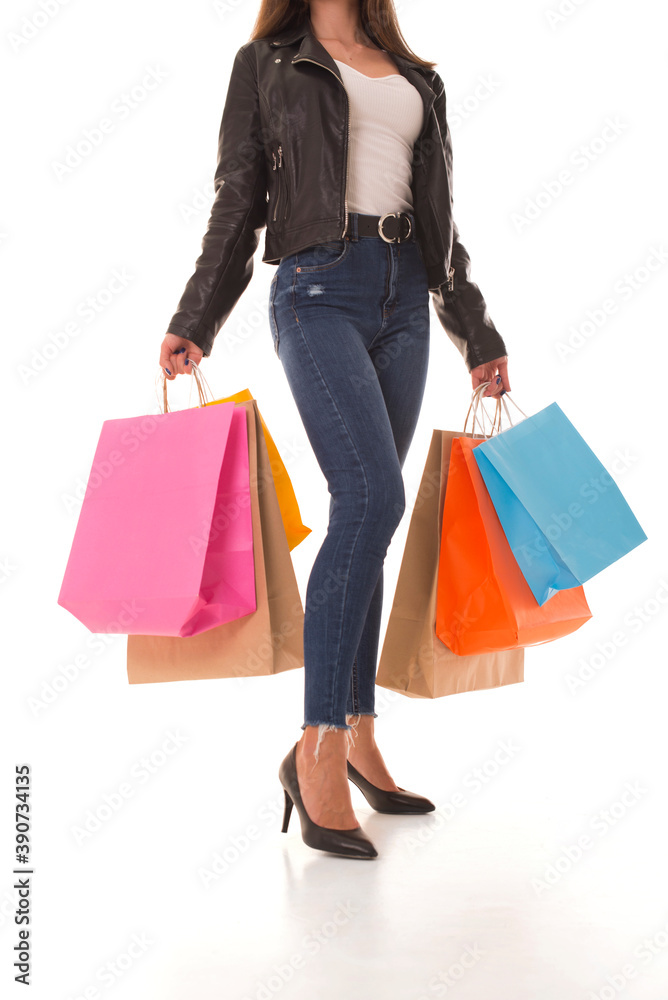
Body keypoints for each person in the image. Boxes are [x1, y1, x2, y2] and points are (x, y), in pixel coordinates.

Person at [158, 0, 510, 860]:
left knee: (373, 520)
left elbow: (442, 225)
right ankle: (315, 744)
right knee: (368, 496)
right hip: (318, 287)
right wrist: (196, 316)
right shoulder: (268, 63)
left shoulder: (416, 72)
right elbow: (238, 197)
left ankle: (356, 730)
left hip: (408, 301)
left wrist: (477, 332)